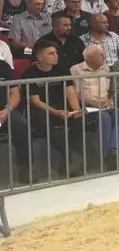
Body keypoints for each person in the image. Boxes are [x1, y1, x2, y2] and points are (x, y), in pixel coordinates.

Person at [23, 40, 85, 177]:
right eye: (51, 53)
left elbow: (70, 90)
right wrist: (56, 112)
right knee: (51, 126)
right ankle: (66, 161)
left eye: (56, 53)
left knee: (79, 121)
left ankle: (68, 161)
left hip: (61, 107)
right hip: (40, 109)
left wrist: (76, 109)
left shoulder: (61, 69)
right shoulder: (30, 73)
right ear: (39, 57)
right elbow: (35, 101)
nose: (56, 56)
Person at [70, 45, 119, 171]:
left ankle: (115, 150)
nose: (105, 57)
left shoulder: (106, 69)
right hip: (88, 107)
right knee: (104, 117)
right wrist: (94, 103)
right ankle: (106, 155)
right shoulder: (76, 70)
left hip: (105, 104)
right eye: (101, 55)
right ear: (90, 58)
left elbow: (111, 89)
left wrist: (110, 99)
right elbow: (76, 94)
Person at [0, 57, 31, 183]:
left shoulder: (3, 66)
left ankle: (25, 167)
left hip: (5, 110)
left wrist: (7, 110)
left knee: (21, 125)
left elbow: (15, 93)